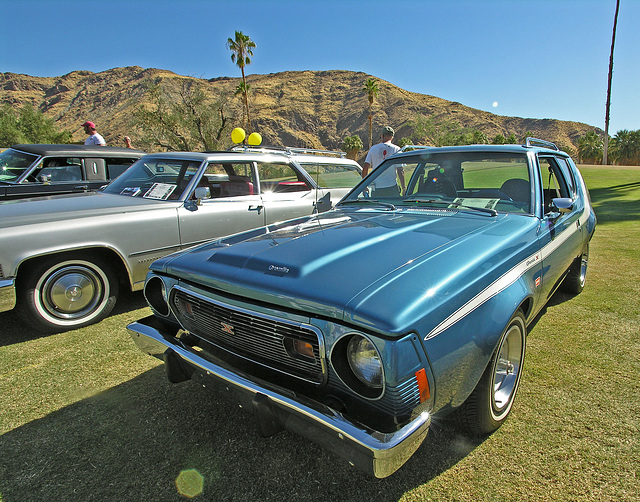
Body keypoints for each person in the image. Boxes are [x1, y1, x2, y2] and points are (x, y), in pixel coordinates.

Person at [362, 126, 405, 196]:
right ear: (392, 137)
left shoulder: (373, 149)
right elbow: (400, 170)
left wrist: (364, 186)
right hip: (392, 187)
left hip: (377, 188)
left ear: (382, 136)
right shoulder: (397, 149)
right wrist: (403, 188)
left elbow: (365, 167)